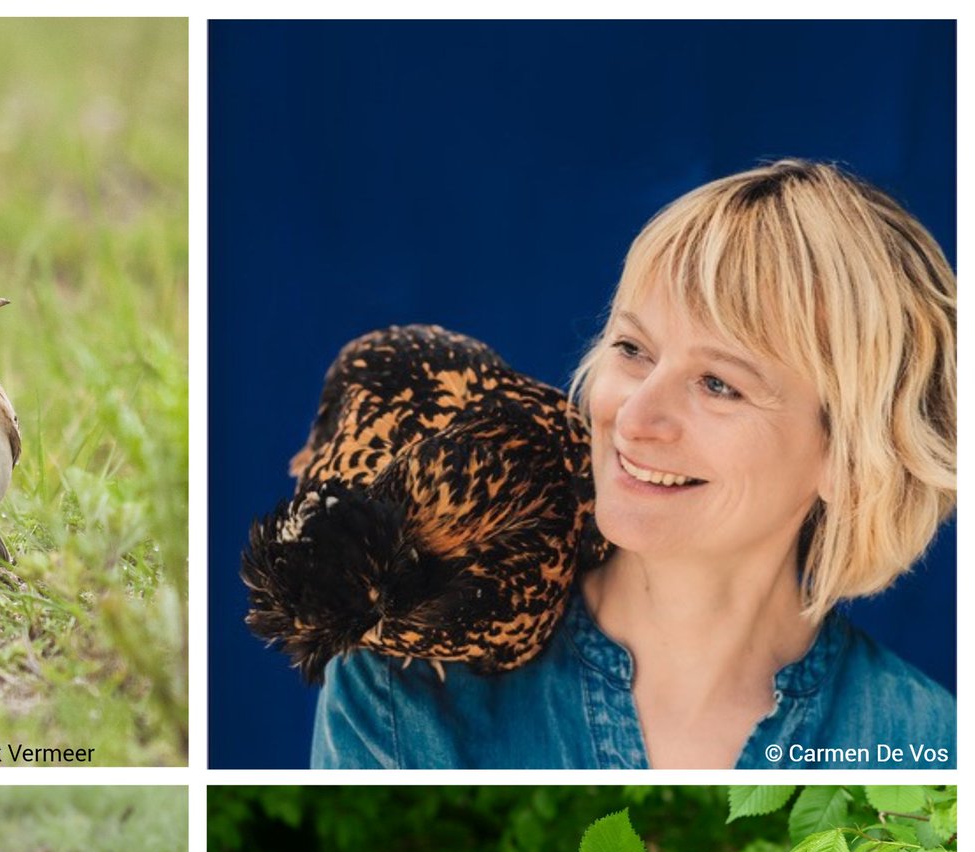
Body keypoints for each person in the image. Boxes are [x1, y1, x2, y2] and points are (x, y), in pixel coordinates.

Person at [311, 159, 956, 769]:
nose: (634, 416)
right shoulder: (405, 682)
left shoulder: (926, 746)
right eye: (632, 348)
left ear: (852, 455)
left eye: (718, 384)